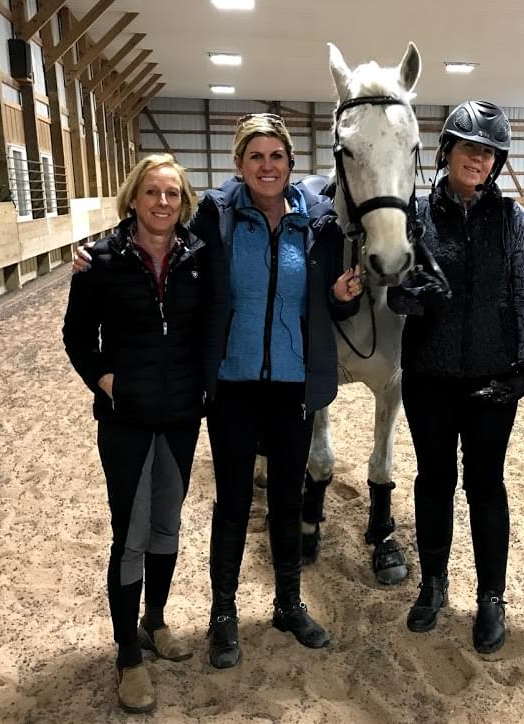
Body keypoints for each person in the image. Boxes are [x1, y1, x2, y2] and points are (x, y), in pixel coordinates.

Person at [187, 113, 362, 668]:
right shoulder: (216, 217)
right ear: (239, 164)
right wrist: (103, 257)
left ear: (290, 165)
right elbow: (164, 249)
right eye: (256, 156)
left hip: (292, 386)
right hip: (234, 385)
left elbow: (334, 304)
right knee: (234, 502)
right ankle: (223, 612)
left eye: (277, 157)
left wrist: (341, 296)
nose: (268, 166)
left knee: (287, 500)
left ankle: (288, 602)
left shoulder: (316, 226)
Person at [388, 101, 524, 654]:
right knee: (433, 482)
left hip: (491, 380)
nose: (477, 159)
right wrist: (407, 296)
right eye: (467, 148)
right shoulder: (416, 214)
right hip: (429, 375)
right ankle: (433, 585)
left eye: (487, 152)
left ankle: (491, 596)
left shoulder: (513, 219)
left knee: (485, 486)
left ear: (496, 161)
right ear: (446, 151)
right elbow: (394, 289)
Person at [63, 154, 213, 713]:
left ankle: (155, 622)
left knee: (167, 525)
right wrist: (106, 380)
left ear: (183, 201)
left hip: (179, 417)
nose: (162, 202)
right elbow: (76, 335)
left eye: (172, 193)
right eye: (152, 192)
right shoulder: (101, 261)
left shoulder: (198, 256)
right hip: (125, 418)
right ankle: (127, 654)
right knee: (130, 532)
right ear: (134, 198)